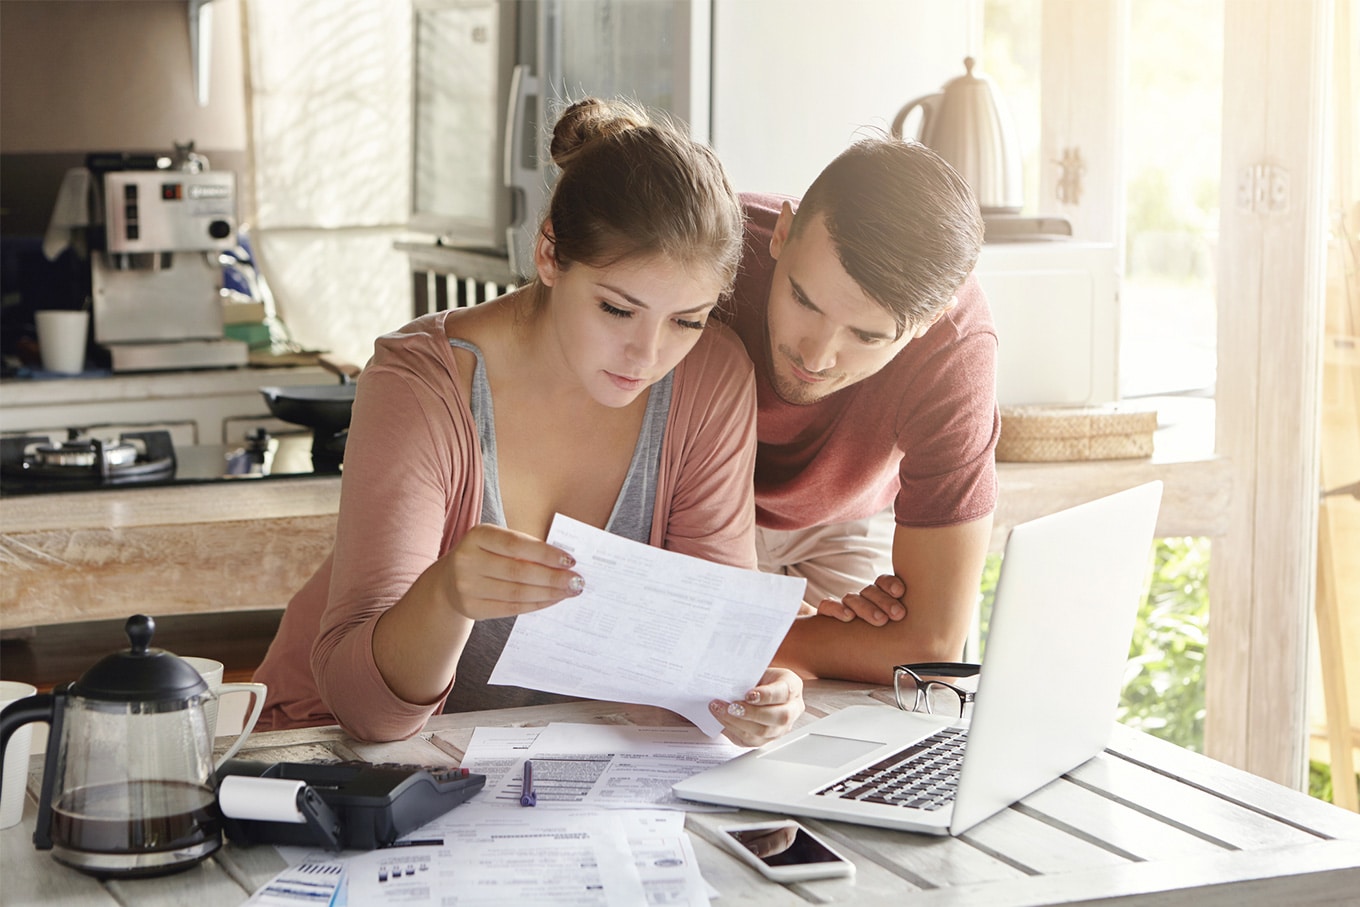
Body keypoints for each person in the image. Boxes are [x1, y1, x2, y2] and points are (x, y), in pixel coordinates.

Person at [254, 98, 804, 747]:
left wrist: (751, 695)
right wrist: (446, 596)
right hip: (336, 755)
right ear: (549, 254)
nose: (648, 354)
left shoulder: (711, 378)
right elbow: (367, 716)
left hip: (544, 772)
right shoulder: (420, 383)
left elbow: (697, 664)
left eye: (686, 319)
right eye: (617, 309)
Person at [722, 137, 998, 685]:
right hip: (693, 511)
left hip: (843, 522)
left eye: (867, 335)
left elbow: (931, 646)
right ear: (781, 232)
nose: (815, 356)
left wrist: (743, 635)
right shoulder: (710, 247)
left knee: (874, 715)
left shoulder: (956, 348)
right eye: (803, 300)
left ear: (927, 323)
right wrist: (795, 638)